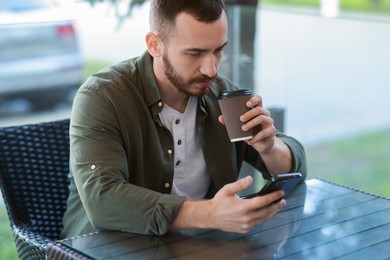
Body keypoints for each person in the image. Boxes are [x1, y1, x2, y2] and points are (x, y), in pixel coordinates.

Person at [61, 0, 307, 238]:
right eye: (195, 53)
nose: (210, 69)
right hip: (104, 248)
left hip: (198, 246)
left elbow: (295, 168)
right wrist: (209, 214)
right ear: (155, 44)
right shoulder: (102, 97)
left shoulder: (222, 94)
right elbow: (103, 199)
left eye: (218, 50)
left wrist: (270, 147)